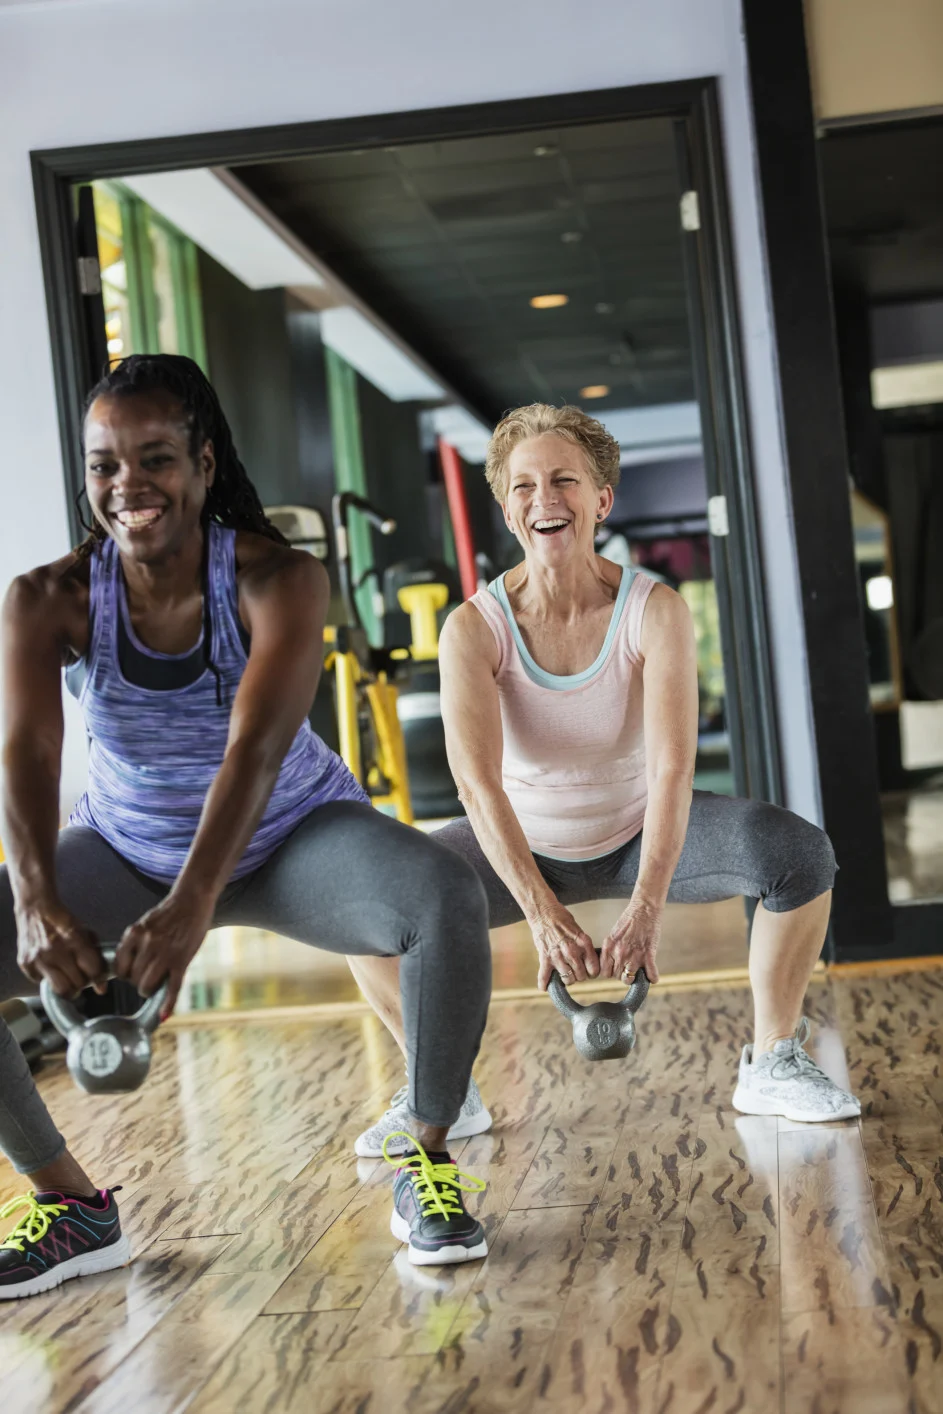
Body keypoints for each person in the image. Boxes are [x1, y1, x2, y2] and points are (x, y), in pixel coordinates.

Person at [0, 355, 491, 1297]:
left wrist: (195, 907)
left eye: (155, 459)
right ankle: (70, 1207)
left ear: (205, 462)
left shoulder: (279, 579)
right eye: (105, 465)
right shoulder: (48, 597)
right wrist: (33, 900)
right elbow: (24, 754)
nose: (128, 486)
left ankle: (424, 1161)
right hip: (125, 849)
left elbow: (254, 753)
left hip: (292, 840)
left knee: (441, 891)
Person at [351, 403, 859, 1156]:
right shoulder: (473, 628)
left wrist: (648, 904)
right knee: (362, 903)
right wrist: (540, 911)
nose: (543, 499)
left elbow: (670, 768)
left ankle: (772, 1058)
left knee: (798, 855)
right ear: (505, 506)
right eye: (523, 486)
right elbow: (477, 786)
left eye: (563, 480)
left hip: (638, 831)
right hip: (518, 843)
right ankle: (442, 1092)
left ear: (600, 500)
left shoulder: (652, 610)